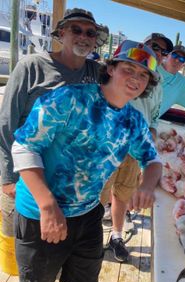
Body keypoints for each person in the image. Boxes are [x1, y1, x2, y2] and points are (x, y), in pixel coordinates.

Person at [11, 40, 162, 282]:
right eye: (129, 69)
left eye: (143, 75)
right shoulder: (69, 98)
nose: (136, 78)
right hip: (40, 213)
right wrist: (48, 206)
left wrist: (147, 185)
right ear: (111, 69)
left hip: (89, 213)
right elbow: (24, 147)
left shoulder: (133, 120)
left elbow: (153, 159)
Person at [0, 7, 108, 237]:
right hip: (28, 174)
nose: (84, 37)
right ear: (61, 34)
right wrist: (8, 178)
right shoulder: (31, 66)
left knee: (60, 242)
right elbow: (6, 124)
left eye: (90, 33)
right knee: (18, 242)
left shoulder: (98, 73)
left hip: (70, 183)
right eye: (76, 29)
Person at [100, 33, 173, 263]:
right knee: (98, 196)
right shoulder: (88, 97)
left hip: (135, 149)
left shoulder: (156, 86)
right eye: (154, 47)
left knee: (122, 194)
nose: (159, 52)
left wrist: (148, 149)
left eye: (163, 51)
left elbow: (152, 120)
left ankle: (116, 236)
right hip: (106, 148)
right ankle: (87, 242)